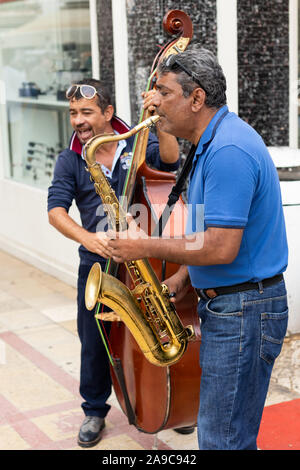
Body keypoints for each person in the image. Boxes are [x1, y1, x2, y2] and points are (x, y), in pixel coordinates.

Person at [104, 46, 289, 450]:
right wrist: (183, 279)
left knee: (222, 440)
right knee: (230, 435)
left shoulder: (227, 150)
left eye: (164, 93)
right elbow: (214, 237)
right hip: (237, 307)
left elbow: (221, 248)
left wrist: (144, 245)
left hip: (244, 312)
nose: (155, 105)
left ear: (197, 97)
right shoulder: (212, 143)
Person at [47, 78, 181, 447]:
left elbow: (170, 161)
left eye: (86, 112)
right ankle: (94, 410)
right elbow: (55, 211)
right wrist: (89, 238)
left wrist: (161, 118)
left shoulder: (139, 141)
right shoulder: (70, 158)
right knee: (93, 340)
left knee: (157, 326)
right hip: (98, 263)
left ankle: (168, 398)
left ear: (108, 112)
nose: (77, 120)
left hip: (144, 258)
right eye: (73, 113)